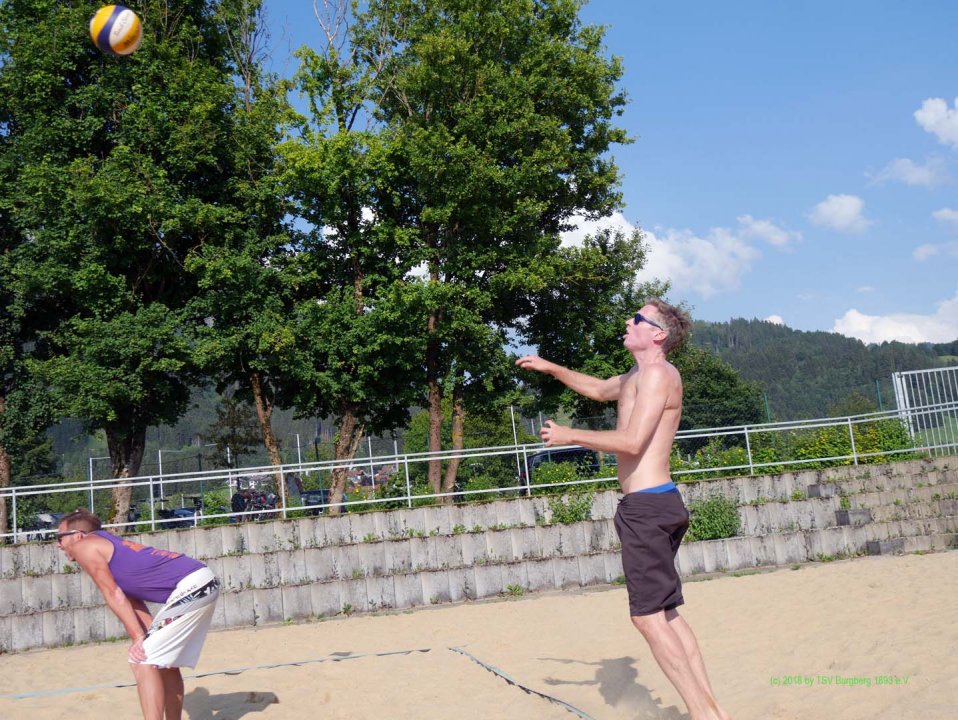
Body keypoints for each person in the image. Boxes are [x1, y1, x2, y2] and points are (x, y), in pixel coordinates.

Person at [516, 297, 730, 720]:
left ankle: (704, 714)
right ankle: (712, 710)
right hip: (657, 503)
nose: (628, 322)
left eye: (638, 318)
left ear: (658, 334)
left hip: (647, 508)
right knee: (666, 613)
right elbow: (598, 389)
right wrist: (553, 368)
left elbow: (632, 442)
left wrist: (567, 434)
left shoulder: (655, 375)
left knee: (648, 618)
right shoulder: (639, 374)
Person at [56, 509, 220, 720]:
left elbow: (112, 593)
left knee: (141, 660)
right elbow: (129, 599)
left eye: (60, 537)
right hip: (201, 580)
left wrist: (139, 640)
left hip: (194, 584)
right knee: (163, 662)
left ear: (78, 535)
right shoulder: (109, 546)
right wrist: (144, 636)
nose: (58, 544)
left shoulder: (84, 546)